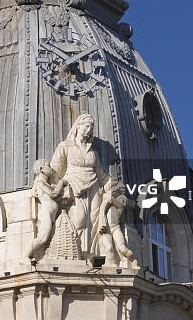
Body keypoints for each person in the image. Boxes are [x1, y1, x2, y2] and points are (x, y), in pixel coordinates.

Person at [49, 113, 109, 255]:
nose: (89, 130)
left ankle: (90, 254)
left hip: (93, 186)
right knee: (79, 220)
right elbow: (54, 172)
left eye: (91, 128)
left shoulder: (93, 152)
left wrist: (111, 184)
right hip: (74, 185)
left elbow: (101, 175)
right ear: (78, 126)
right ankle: (76, 250)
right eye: (86, 127)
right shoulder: (65, 146)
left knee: (93, 220)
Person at [26, 160, 65, 258]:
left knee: (48, 239)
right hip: (46, 213)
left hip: (51, 214)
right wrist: (61, 182)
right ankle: (26, 255)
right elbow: (53, 194)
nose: (51, 169)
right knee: (42, 238)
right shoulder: (40, 183)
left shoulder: (45, 183)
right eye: (48, 166)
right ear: (41, 169)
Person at [97, 179, 135, 264]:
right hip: (106, 229)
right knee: (109, 248)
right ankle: (111, 265)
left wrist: (109, 196)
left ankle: (133, 261)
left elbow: (119, 204)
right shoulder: (107, 200)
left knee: (122, 249)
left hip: (116, 228)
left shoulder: (120, 201)